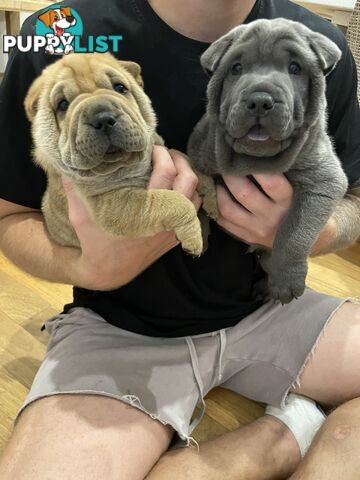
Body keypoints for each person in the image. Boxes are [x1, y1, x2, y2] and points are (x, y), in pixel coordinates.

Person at [0, 0, 359, 478]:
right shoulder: (57, 33)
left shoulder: (321, 45)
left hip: (268, 309)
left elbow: (353, 197)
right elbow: (9, 215)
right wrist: (85, 269)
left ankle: (292, 434)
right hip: (120, 329)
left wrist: (307, 234)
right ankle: (286, 434)